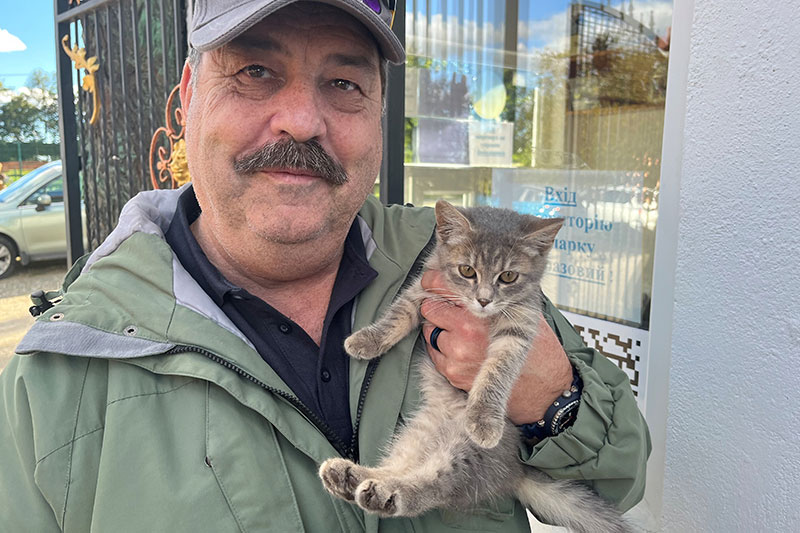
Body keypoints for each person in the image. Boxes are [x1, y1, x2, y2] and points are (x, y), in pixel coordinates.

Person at [0, 1, 650, 531]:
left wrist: (553, 398)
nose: (303, 121)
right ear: (190, 96)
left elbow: (620, 473)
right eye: (255, 70)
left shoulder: (455, 253)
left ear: (379, 114)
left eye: (343, 82)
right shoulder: (57, 377)